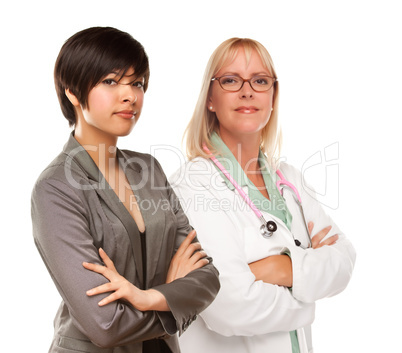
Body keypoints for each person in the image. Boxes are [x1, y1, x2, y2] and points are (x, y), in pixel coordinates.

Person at [31, 27, 220, 353]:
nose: (130, 95)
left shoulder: (148, 169)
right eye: (110, 81)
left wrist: (149, 297)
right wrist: (173, 297)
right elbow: (105, 325)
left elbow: (208, 277)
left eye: (137, 83)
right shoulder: (56, 188)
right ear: (73, 93)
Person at [169, 38, 356, 353]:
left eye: (260, 80)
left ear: (273, 96)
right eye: (230, 80)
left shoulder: (289, 179)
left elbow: (345, 260)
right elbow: (227, 305)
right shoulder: (194, 184)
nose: (247, 91)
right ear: (210, 99)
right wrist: (309, 294)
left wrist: (279, 267)